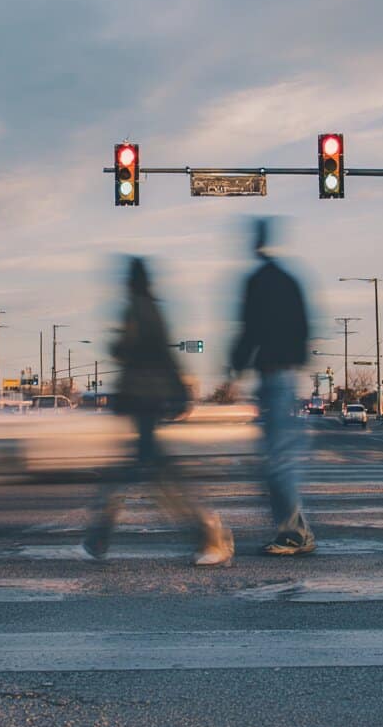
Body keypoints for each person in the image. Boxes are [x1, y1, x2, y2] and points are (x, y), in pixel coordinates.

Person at [82, 257, 233, 566]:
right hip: (148, 399)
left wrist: (117, 347)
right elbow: (165, 353)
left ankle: (207, 532)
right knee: (147, 468)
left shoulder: (137, 309)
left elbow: (134, 349)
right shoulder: (151, 308)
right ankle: (99, 535)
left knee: (147, 471)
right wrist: (178, 391)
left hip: (142, 398)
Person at [230, 218, 316, 555]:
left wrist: (236, 364)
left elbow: (249, 327)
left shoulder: (258, 282)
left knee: (277, 459)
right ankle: (296, 530)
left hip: (273, 374)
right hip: (284, 373)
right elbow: (304, 326)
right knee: (276, 458)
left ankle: (296, 534)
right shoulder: (289, 280)